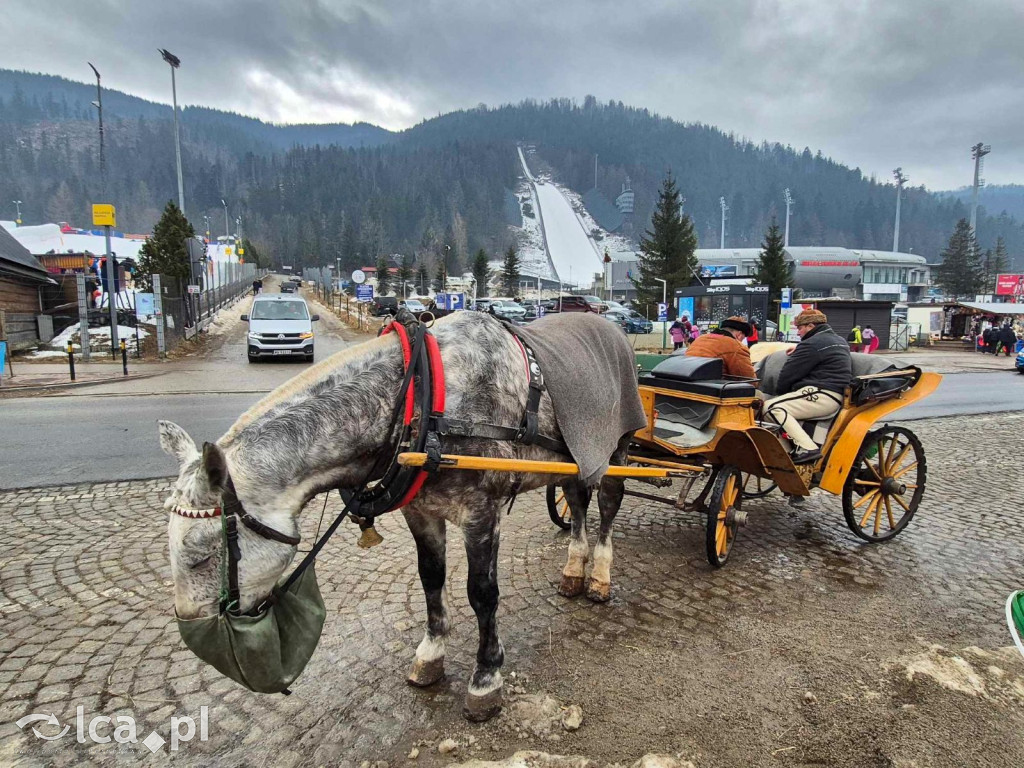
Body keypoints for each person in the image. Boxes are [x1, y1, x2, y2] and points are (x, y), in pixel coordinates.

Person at [763, 309, 852, 464]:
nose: (798, 332)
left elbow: (788, 375)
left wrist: (779, 393)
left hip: (823, 394)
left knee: (772, 407)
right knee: (775, 406)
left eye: (800, 328)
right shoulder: (838, 339)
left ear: (811, 326)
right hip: (834, 393)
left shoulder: (812, 344)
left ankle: (807, 448)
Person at [685, 316, 756, 379]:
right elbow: (750, 381)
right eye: (743, 339)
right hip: (711, 390)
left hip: (687, 385)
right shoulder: (737, 347)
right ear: (739, 334)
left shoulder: (700, 339)